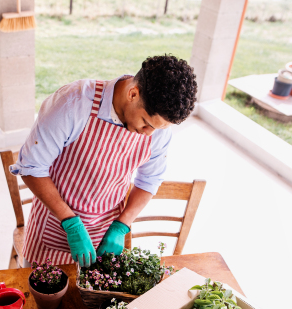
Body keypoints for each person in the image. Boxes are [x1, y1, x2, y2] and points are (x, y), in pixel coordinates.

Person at [10, 54, 197, 267]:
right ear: (133, 93)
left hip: (105, 232)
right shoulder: (73, 103)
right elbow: (32, 168)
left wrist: (122, 226)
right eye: (146, 123)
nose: (148, 134)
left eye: (157, 128)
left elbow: (149, 181)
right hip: (53, 227)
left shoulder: (158, 130)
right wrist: (71, 224)